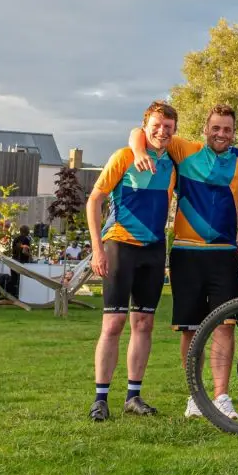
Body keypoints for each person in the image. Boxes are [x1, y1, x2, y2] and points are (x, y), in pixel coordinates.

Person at [130, 103, 238, 420]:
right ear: (205, 129)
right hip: (186, 253)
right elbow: (142, 133)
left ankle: (222, 396)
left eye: (227, 129)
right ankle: (194, 396)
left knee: (225, 326)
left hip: (225, 254)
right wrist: (137, 147)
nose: (221, 134)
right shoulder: (185, 150)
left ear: (234, 133)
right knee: (191, 331)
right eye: (216, 128)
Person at [86, 101, 178, 422]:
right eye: (156, 126)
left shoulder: (172, 164)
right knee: (113, 323)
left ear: (174, 130)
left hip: (154, 249)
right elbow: (94, 200)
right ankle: (100, 399)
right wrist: (97, 248)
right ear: (145, 126)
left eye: (168, 127)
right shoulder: (124, 156)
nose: (161, 132)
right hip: (119, 245)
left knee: (144, 324)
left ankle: (133, 396)